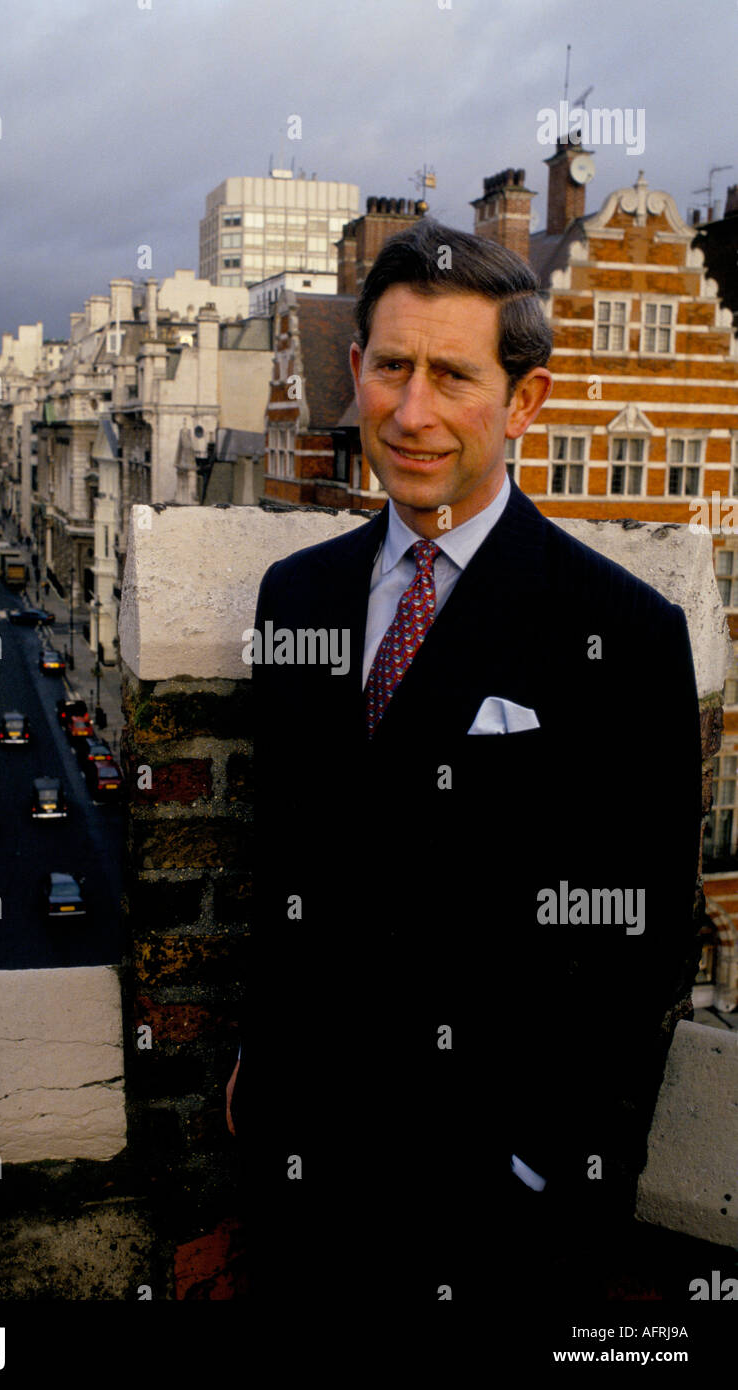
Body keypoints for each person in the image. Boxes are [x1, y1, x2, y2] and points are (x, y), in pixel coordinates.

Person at [230, 219, 701, 1305]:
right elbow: (287, 851)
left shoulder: (620, 634)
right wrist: (262, 1059)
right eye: (390, 367)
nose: (410, 413)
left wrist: (548, 1169)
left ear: (524, 402)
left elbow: (637, 944)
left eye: (452, 375)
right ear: (353, 372)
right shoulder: (293, 600)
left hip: (489, 1208)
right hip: (305, 1179)